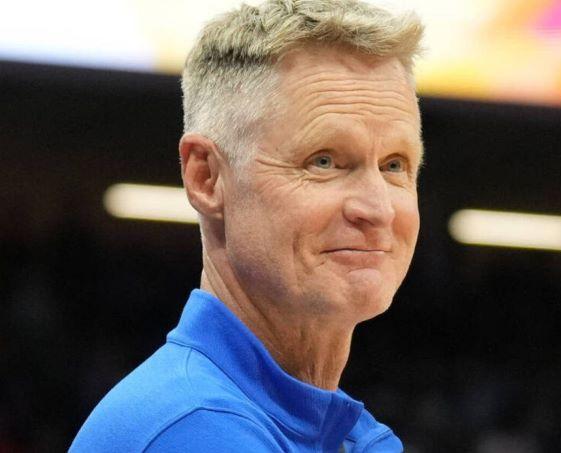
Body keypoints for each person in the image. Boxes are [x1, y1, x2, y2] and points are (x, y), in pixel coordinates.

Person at [71, 0, 424, 451]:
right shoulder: (193, 430)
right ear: (206, 178)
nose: (378, 209)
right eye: (323, 161)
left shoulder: (348, 437)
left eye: (394, 165)